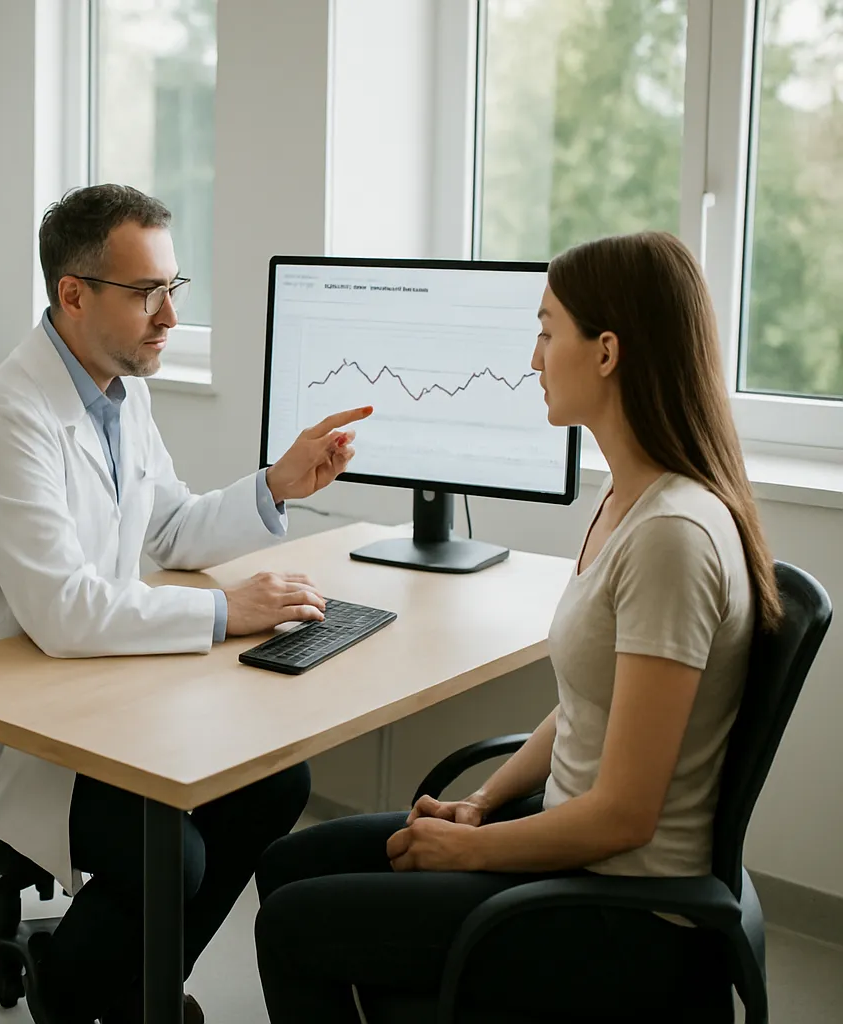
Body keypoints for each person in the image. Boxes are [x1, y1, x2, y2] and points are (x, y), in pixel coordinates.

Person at [253, 231, 783, 1024]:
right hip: (572, 848)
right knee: (293, 862)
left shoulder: (674, 535)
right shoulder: (624, 504)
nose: (533, 359)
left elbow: (626, 814)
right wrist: (483, 802)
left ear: (606, 352)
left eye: (545, 331)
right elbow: (586, 707)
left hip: (623, 911)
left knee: (291, 926)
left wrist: (470, 849)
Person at [0, 184, 372, 1023]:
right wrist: (231, 612)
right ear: (73, 295)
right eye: (146, 293)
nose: (169, 316)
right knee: (174, 858)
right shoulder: (10, 418)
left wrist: (276, 483)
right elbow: (66, 612)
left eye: (174, 288)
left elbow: (168, 529)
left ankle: (119, 989)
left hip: (89, 695)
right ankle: (85, 992)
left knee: (275, 784)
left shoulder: (121, 388)